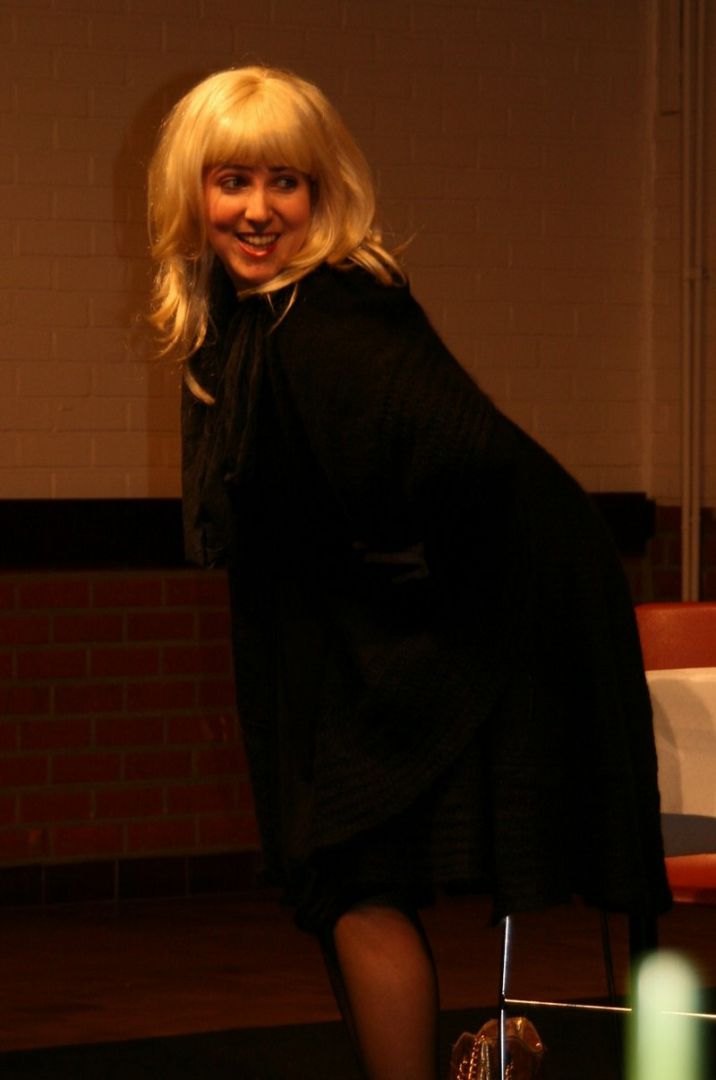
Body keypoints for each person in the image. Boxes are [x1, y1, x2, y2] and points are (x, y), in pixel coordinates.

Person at [148, 66, 671, 1080]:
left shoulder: (331, 317)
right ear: (192, 190)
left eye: (286, 182)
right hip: (347, 655)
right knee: (345, 883)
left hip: (413, 652)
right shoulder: (261, 317)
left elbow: (482, 472)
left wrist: (411, 618)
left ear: (322, 192)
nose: (257, 210)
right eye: (232, 181)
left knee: (353, 882)